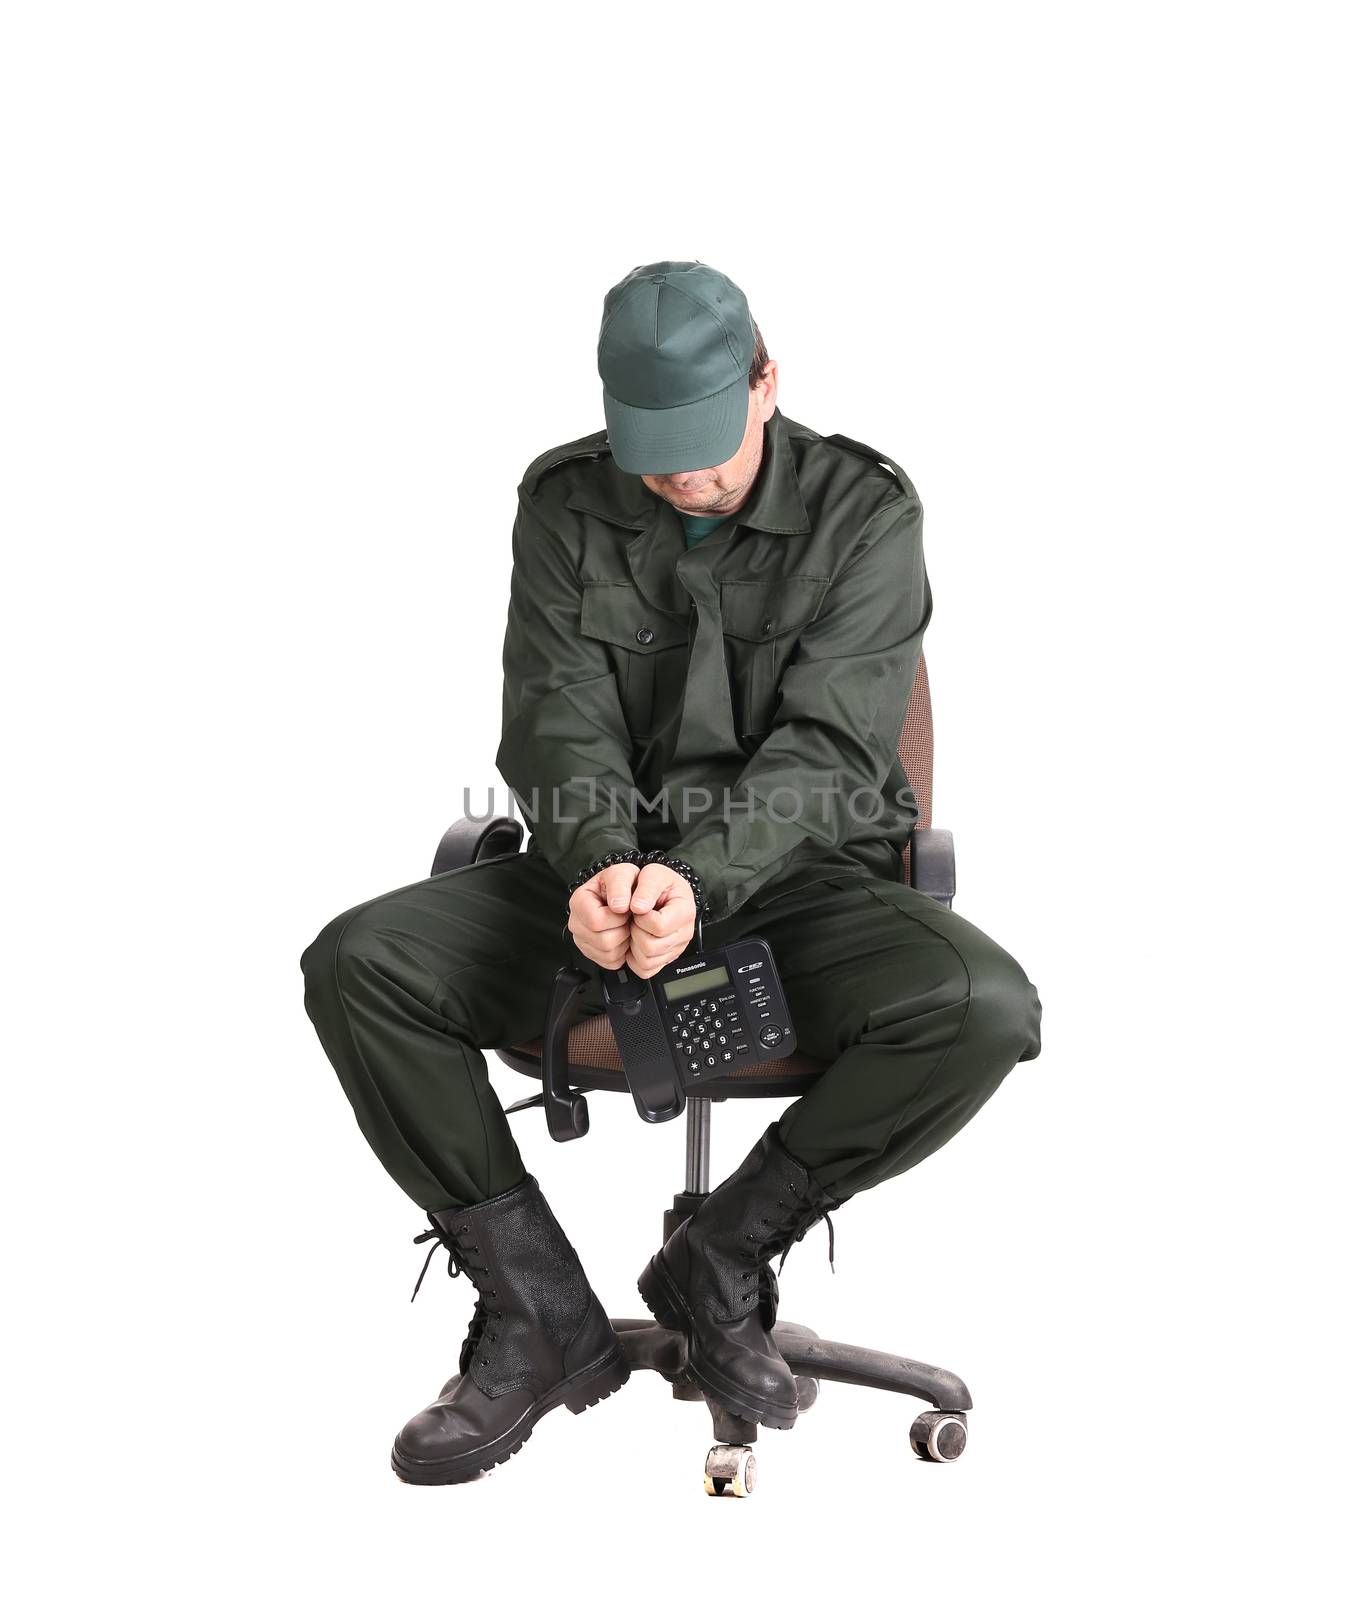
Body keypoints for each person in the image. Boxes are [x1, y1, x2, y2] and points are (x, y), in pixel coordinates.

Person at [300, 259, 1042, 1485]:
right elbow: (556, 716)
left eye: (704, 448)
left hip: (799, 878)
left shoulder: (868, 513)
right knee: (357, 961)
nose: (681, 480)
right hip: (594, 882)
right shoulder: (565, 502)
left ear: (767, 382)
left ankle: (724, 1253)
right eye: (653, 453)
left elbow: (830, 747)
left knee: (986, 1008)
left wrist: (697, 880)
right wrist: (599, 869)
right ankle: (536, 1307)